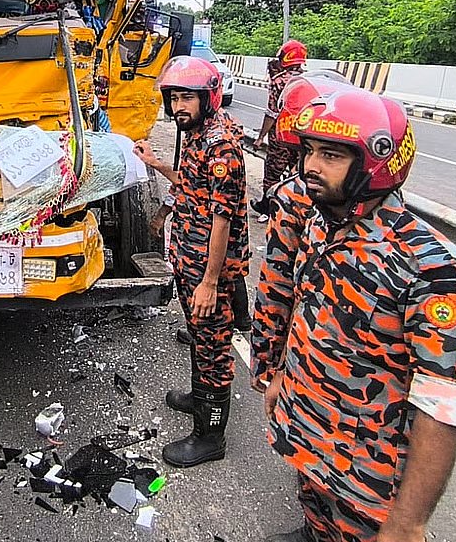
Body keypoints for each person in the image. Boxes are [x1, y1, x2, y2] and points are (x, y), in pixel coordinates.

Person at [262, 88, 456, 542]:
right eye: (310, 151)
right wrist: (282, 375)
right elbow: (306, 311)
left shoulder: (432, 268)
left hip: (368, 475)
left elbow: (442, 406)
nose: (309, 168)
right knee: (316, 522)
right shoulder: (323, 225)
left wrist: (408, 525)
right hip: (311, 433)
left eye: (331, 155)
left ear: (375, 166)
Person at [134, 55, 250, 468]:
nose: (179, 107)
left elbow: (224, 217)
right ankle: (199, 399)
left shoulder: (221, 147)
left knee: (215, 351)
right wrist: (157, 164)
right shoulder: (198, 134)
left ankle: (210, 435)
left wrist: (210, 282)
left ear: (209, 98)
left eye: (188, 98)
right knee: (201, 341)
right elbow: (192, 184)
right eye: (175, 98)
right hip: (190, 258)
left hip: (208, 267)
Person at [249, 71, 352, 391]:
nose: (314, 166)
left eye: (330, 154)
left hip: (308, 365)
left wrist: (265, 364)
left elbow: (276, 286)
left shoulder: (293, 194)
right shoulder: (368, 189)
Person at [251, 40, 308, 219]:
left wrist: (260, 138)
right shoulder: (308, 80)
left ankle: (267, 209)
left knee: (272, 174)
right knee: (297, 174)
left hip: (281, 137)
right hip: (301, 137)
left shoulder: (279, 81)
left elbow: (272, 113)